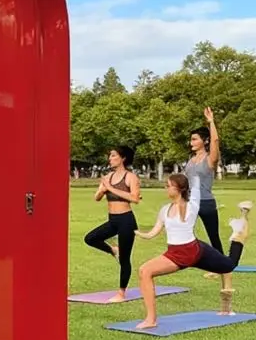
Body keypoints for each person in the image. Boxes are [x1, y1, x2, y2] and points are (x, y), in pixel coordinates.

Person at [133, 171, 252, 328]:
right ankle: (151, 319)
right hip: (177, 252)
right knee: (144, 271)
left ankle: (239, 231)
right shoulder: (165, 209)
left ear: (179, 189)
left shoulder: (191, 206)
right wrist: (141, 234)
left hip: (191, 251)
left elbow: (195, 188)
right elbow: (154, 232)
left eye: (168, 186)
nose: (165, 189)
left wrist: (196, 172)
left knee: (230, 265)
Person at [84, 145, 141, 301]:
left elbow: (135, 198)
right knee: (90, 238)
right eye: (110, 156)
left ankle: (121, 293)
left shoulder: (131, 177)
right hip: (113, 220)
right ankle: (113, 250)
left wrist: (111, 188)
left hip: (126, 220)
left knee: (125, 259)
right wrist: (103, 189)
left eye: (113, 156)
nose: (110, 158)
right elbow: (97, 198)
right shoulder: (108, 177)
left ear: (122, 158)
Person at [186, 107, 225, 283]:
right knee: (184, 232)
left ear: (204, 141)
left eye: (194, 139)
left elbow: (216, 140)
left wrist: (211, 122)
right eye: (191, 139)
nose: (191, 142)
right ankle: (192, 259)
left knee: (213, 236)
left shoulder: (210, 159)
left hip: (206, 203)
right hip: (190, 203)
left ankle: (221, 266)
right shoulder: (190, 161)